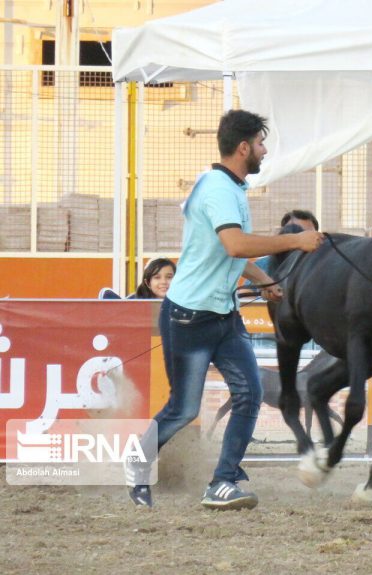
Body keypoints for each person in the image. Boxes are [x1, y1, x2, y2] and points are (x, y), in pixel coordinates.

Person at [125, 109, 324, 510]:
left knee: (249, 394)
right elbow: (235, 244)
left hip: (222, 316)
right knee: (182, 410)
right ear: (244, 147)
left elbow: (230, 251)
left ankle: (223, 481)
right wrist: (295, 242)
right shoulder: (217, 188)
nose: (265, 151)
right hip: (190, 318)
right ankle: (137, 461)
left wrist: (263, 281)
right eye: (262, 143)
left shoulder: (230, 186)